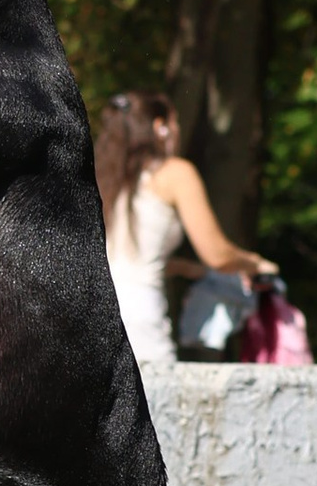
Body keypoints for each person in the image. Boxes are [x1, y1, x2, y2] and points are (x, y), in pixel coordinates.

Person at [94, 90, 276, 379]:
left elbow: (125, 259)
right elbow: (218, 255)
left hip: (90, 316)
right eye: (175, 124)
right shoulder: (175, 173)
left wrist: (186, 269)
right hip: (139, 323)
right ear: (159, 126)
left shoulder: (103, 180)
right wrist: (253, 262)